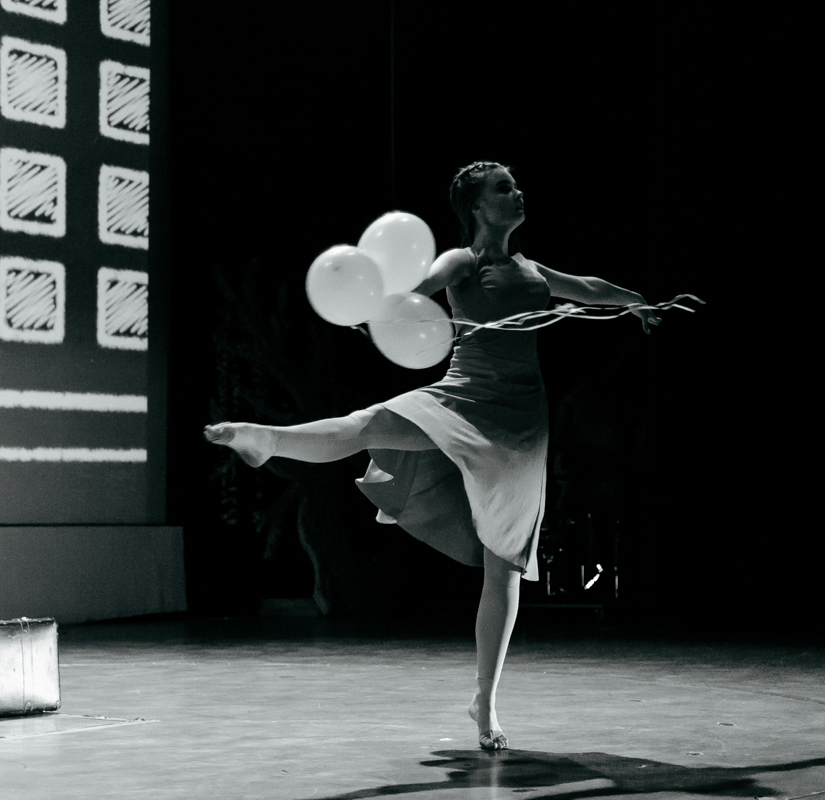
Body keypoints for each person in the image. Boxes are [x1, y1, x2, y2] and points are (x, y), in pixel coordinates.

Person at [205, 161, 660, 750]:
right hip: (463, 395)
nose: (517, 192)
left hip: (520, 421)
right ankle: (269, 439)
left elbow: (590, 289)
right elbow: (418, 287)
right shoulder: (464, 261)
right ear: (477, 207)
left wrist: (637, 302)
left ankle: (484, 702)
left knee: (505, 560)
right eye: (503, 187)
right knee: (370, 424)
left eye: (515, 184)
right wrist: (381, 310)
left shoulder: (532, 269)